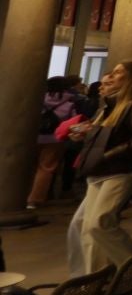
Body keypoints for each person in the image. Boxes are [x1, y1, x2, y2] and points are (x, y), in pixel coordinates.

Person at [67, 61, 132, 276]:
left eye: (117, 73)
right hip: (101, 169)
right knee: (87, 227)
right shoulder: (109, 105)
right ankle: (96, 276)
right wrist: (86, 135)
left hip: (121, 169)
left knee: (100, 223)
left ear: (131, 78)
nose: (110, 78)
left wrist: (106, 155)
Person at [30, 77, 84, 209]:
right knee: (46, 169)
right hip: (55, 139)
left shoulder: (37, 99)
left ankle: (21, 195)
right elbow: (72, 123)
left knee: (29, 167)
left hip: (33, 138)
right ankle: (34, 200)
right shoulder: (69, 103)